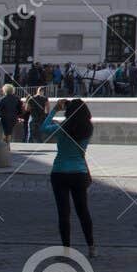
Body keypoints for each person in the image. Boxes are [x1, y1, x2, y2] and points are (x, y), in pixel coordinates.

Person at [33, 98, 95, 255]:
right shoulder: (88, 129)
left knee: (63, 213)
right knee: (83, 211)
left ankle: (66, 249)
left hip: (59, 172)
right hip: (79, 172)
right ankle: (91, 247)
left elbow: (43, 127)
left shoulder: (61, 128)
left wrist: (54, 110)